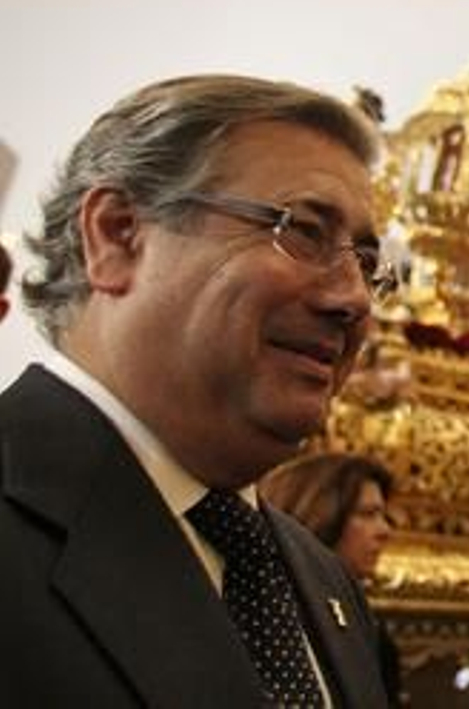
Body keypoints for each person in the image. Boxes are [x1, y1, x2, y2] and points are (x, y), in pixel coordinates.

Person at [1, 74, 393, 706]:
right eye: (302, 230)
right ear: (118, 234)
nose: (352, 297)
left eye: (368, 265)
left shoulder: (324, 582)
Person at [260, 453, 404, 706]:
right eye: (368, 514)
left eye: (383, 516)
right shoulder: (272, 614)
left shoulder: (363, 621)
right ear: (321, 513)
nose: (384, 531)